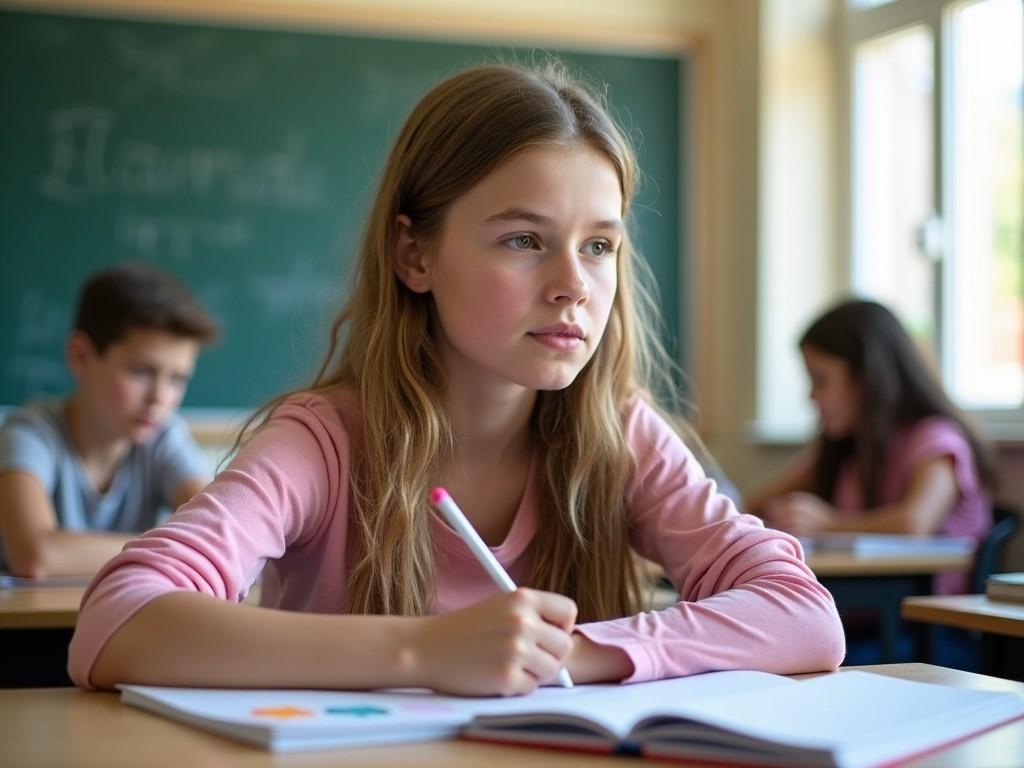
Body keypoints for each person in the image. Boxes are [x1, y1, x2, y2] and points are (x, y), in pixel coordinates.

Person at [68, 62, 844, 694]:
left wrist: (565, 654)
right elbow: (118, 620)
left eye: (600, 246)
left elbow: (806, 617)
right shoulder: (326, 441)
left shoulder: (619, 432)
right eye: (522, 239)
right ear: (415, 257)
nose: (574, 284)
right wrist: (425, 652)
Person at [746, 298, 997, 595]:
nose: (811, 396)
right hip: (862, 619)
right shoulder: (845, 447)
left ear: (866, 378)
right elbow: (755, 503)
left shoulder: (936, 442)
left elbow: (913, 524)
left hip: (924, 630)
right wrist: (782, 514)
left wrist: (827, 524)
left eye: (821, 380)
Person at [0, 262, 219, 579]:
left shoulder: (163, 436)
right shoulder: (29, 434)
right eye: (141, 371)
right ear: (81, 356)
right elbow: (36, 556)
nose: (159, 398)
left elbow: (218, 530)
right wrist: (178, 545)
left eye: (177, 379)